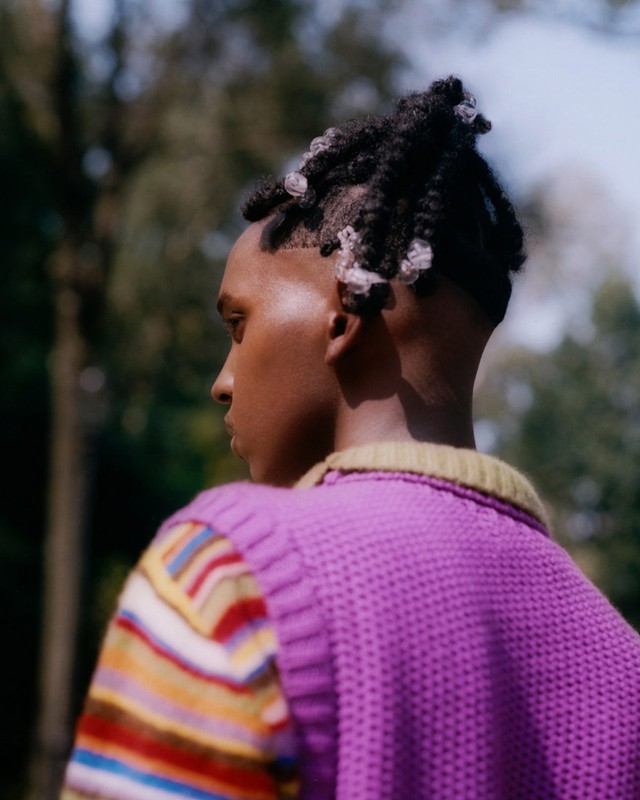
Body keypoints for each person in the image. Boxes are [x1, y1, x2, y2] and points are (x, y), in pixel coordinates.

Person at [61, 76, 640, 800]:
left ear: (343, 317)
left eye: (238, 325)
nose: (222, 381)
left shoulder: (232, 578)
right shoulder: (625, 663)